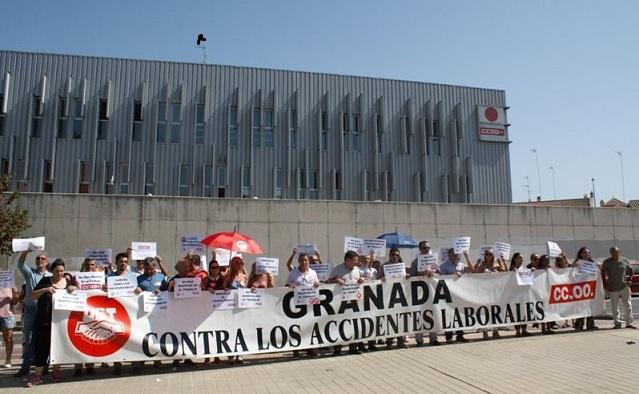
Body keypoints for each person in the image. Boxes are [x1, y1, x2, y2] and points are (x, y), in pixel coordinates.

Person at [25, 259, 77, 387]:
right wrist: (46, 290)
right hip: (44, 321)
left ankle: (56, 371)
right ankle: (37, 376)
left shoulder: (68, 282)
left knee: (59, 346)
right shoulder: (45, 281)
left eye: (61, 271)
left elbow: (79, 296)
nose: (59, 273)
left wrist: (74, 288)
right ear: (52, 271)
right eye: (56, 271)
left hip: (61, 323)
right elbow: (33, 296)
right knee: (41, 348)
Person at [15, 250, 51, 378]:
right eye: (37, 258)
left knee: (45, 338)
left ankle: (44, 366)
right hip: (31, 310)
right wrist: (25, 252)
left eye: (42, 258)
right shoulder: (30, 273)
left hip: (45, 311)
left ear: (47, 261)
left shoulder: (50, 276)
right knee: (29, 340)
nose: (39, 260)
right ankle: (25, 367)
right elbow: (20, 264)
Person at [105, 252, 139, 375]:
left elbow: (141, 290)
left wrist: (139, 289)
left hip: (130, 313)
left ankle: (135, 363)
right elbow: (102, 291)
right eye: (121, 262)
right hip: (116, 313)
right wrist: (104, 289)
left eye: (125, 262)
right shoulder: (110, 277)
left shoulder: (133, 277)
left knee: (132, 337)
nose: (123, 264)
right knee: (117, 338)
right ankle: (117, 364)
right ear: (116, 263)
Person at [328, 251, 364, 355]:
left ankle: (353, 347)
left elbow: (361, 280)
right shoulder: (337, 269)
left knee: (353, 323)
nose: (357, 262)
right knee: (339, 323)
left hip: (354, 301)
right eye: (355, 260)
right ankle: (337, 349)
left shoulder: (357, 269)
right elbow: (328, 281)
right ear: (348, 259)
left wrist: (361, 280)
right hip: (340, 302)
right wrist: (336, 280)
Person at [286, 253, 320, 358]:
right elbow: (286, 287)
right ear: (298, 261)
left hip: (310, 305)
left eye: (306, 260)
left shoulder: (313, 272)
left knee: (309, 325)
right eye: (302, 260)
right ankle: (296, 350)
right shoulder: (293, 273)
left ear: (308, 261)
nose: (304, 262)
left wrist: (317, 284)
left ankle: (310, 348)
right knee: (296, 326)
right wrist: (290, 286)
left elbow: (317, 284)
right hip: (297, 305)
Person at [72, 257, 101, 377]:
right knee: (78, 339)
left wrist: (105, 288)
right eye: (88, 264)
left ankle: (90, 366)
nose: (90, 267)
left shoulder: (100, 278)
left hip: (94, 313)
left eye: (93, 265)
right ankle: (78, 367)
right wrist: (72, 288)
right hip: (79, 312)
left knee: (91, 341)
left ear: (96, 266)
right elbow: (69, 290)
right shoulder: (77, 277)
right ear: (84, 265)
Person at [438, 249, 472, 343]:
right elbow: (439, 277)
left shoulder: (461, 264)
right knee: (448, 314)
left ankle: (460, 335)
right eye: (452, 253)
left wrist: (467, 257)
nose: (455, 255)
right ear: (448, 255)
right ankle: (449, 337)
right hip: (448, 293)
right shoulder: (443, 265)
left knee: (459, 314)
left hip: (459, 294)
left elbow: (471, 269)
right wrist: (451, 275)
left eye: (456, 253)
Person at [410, 241, 440, 346]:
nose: (426, 250)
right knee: (419, 315)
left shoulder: (434, 260)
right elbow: (412, 277)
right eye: (424, 248)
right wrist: (421, 273)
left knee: (434, 313)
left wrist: (433, 273)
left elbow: (439, 274)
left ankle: (433, 338)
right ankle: (419, 339)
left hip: (432, 292)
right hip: (420, 293)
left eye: (428, 248)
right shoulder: (415, 262)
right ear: (420, 249)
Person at [379, 247, 409, 349]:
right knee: (390, 319)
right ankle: (389, 342)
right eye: (393, 255)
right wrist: (382, 278)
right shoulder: (384, 266)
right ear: (389, 255)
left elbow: (404, 278)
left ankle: (400, 341)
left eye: (397, 255)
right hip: (388, 296)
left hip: (400, 296)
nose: (395, 256)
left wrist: (407, 276)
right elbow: (377, 279)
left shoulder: (401, 266)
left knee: (401, 318)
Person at [602, 247, 635, 329]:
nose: (614, 253)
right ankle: (617, 323)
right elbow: (603, 273)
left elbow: (631, 269)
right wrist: (605, 284)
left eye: (616, 252)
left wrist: (630, 279)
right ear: (610, 253)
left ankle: (629, 323)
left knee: (627, 305)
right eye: (612, 252)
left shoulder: (624, 260)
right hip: (612, 288)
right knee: (614, 306)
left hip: (624, 286)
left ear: (619, 252)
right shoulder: (607, 262)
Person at [222, 257, 248, 363]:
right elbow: (223, 288)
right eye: (237, 262)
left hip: (241, 308)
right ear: (232, 264)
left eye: (240, 262)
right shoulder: (228, 277)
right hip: (230, 308)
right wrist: (226, 288)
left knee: (241, 330)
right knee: (231, 330)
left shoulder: (244, 277)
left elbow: (247, 289)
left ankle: (240, 353)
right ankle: (231, 352)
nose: (239, 264)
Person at [572, 247, 598, 331]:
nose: (587, 254)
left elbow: (596, 275)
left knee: (590, 307)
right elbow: (572, 274)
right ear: (580, 254)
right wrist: (574, 267)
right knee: (580, 308)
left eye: (588, 253)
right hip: (580, 289)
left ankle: (590, 325)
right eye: (585, 252)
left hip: (590, 289)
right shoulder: (577, 263)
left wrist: (598, 267)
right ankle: (579, 326)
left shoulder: (592, 263)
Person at [509, 253, 531, 337]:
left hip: (522, 294)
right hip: (513, 294)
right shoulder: (511, 269)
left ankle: (524, 330)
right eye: (519, 258)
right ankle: (517, 330)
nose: (521, 260)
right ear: (515, 259)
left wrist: (531, 271)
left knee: (523, 311)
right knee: (515, 312)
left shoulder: (524, 269)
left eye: (522, 258)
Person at [0, 285, 17, 368]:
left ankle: (8, 359)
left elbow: (15, 302)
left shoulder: (9, 284)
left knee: (8, 338)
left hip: (7, 315)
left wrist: (14, 293)